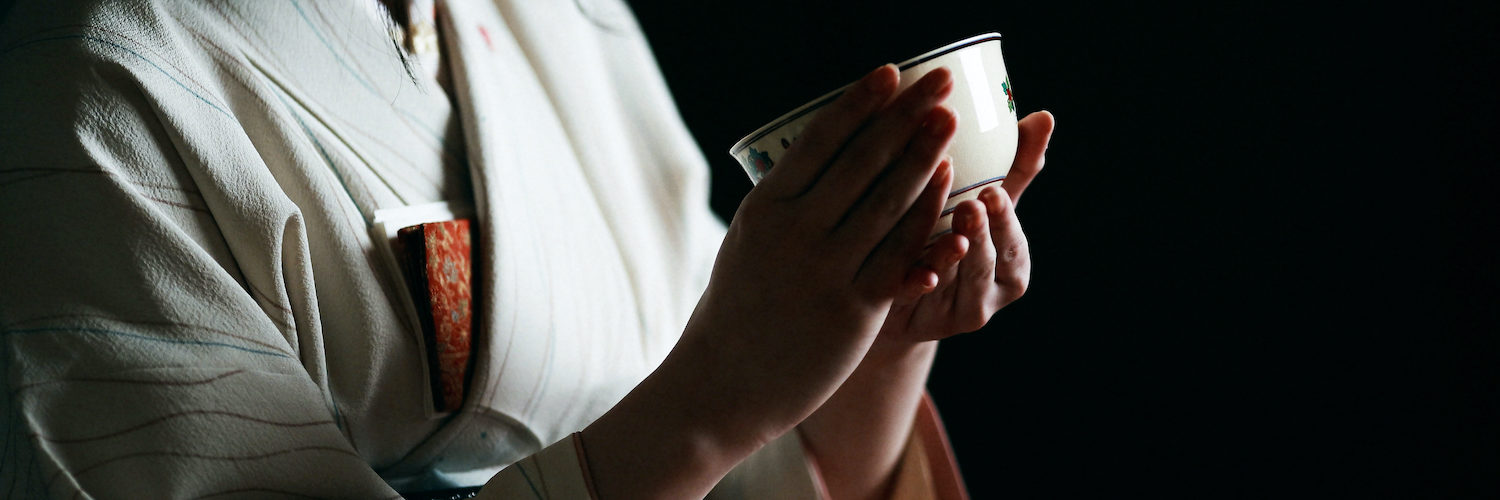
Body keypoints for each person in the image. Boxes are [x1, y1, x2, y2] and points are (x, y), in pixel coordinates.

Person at [0, 0, 1055, 497]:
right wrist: (706, 405)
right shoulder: (101, 82)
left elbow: (758, 460)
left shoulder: (564, 17)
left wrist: (882, 328)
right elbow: (712, 398)